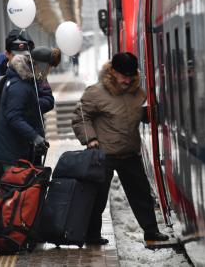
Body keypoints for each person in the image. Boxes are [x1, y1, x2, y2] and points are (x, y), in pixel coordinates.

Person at [72, 52, 169, 244]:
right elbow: (80, 117)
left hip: (130, 153)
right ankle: (92, 235)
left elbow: (135, 113)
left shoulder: (137, 93)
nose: (127, 80)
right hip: (103, 154)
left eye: (130, 76)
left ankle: (151, 231)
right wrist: (90, 139)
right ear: (113, 72)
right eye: (123, 75)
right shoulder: (96, 92)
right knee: (97, 198)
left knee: (141, 195)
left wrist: (151, 114)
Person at [0, 54, 54, 224]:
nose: (43, 73)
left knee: (10, 190)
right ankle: (8, 230)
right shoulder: (19, 86)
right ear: (32, 67)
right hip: (10, 149)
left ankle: (8, 228)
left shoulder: (16, 81)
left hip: (7, 146)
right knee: (12, 191)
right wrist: (35, 137)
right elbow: (14, 117)